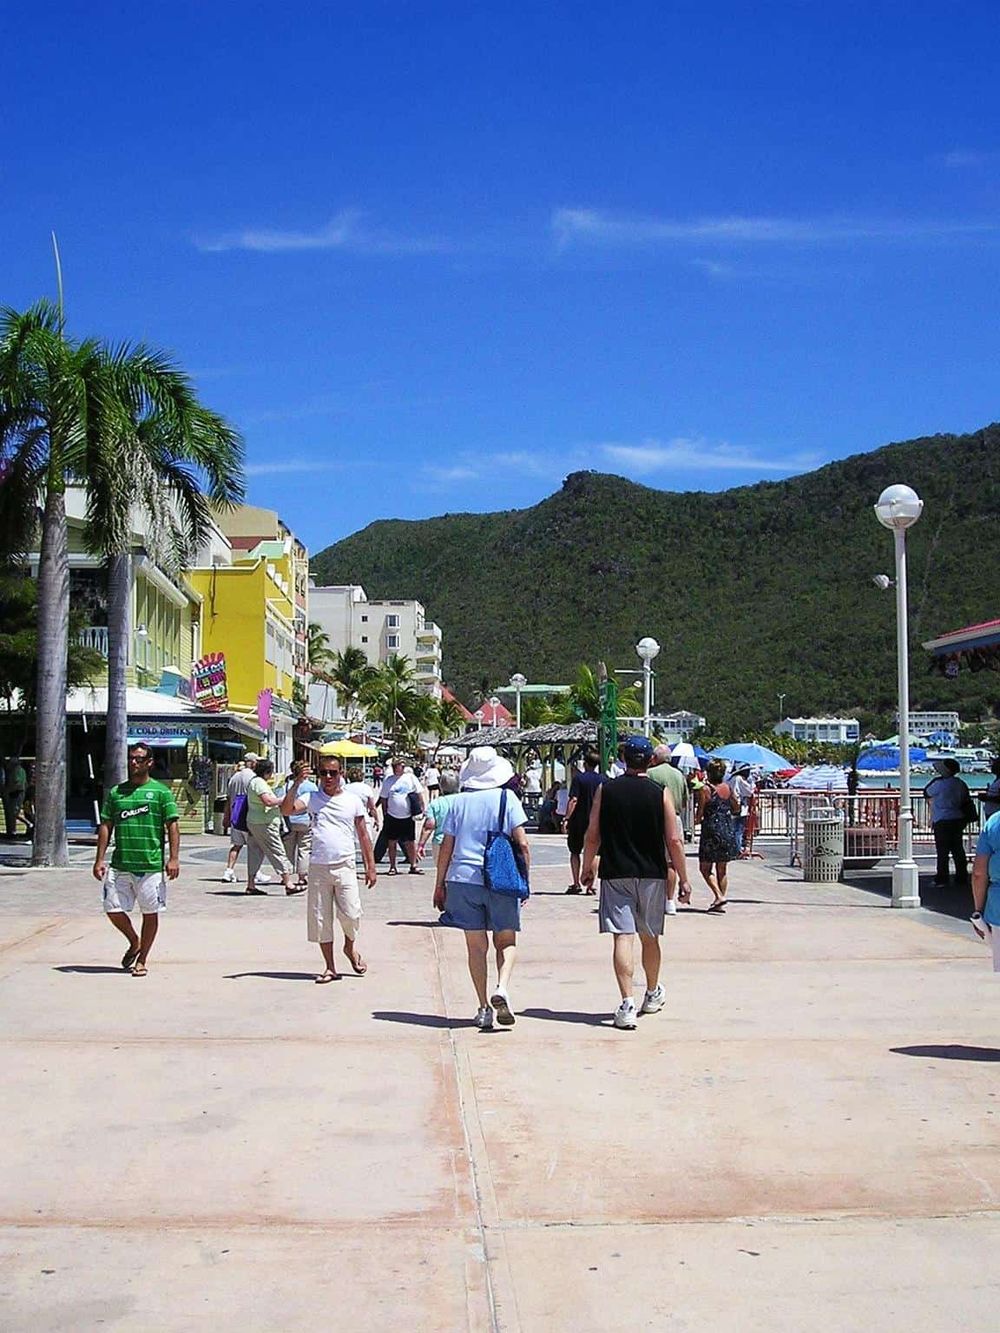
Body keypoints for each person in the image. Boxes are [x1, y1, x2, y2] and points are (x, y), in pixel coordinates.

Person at [581, 735, 691, 1029]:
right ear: (651, 761)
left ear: (624, 759)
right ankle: (652, 992)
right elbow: (674, 839)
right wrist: (683, 878)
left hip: (616, 871)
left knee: (622, 937)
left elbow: (593, 834)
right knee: (650, 936)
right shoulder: (660, 792)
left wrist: (586, 867)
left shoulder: (607, 789)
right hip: (653, 873)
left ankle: (627, 1003)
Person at [434, 746, 531, 1030]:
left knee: (476, 947)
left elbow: (446, 847)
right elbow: (522, 843)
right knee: (507, 941)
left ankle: (483, 1008)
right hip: (500, 877)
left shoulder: (457, 802)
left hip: (463, 879)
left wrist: (439, 884)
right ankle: (501, 986)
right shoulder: (507, 798)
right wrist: (524, 880)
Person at [281, 758, 377, 982]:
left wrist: (370, 866)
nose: (328, 778)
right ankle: (330, 967)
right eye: (323, 773)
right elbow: (286, 810)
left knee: (351, 914)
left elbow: (363, 834)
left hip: (345, 865)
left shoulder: (352, 801)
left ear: (341, 773)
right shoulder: (312, 798)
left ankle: (350, 948)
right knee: (321, 918)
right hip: (318, 866)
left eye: (333, 773)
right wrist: (296, 783)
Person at [92, 741, 179, 976]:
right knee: (112, 908)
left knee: (150, 912)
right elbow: (106, 825)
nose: (134, 762)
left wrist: (173, 858)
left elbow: (172, 826)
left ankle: (142, 959)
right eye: (131, 758)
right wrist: (99, 859)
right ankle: (134, 941)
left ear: (149, 762)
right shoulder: (117, 792)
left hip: (150, 865)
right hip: (121, 864)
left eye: (139, 759)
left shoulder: (161, 792)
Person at [246, 757, 299, 896]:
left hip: (254, 821)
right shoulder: (259, 783)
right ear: (267, 772)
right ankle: (288, 883)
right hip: (265, 823)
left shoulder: (255, 782)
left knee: (255, 852)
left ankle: (251, 884)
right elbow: (268, 801)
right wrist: (284, 800)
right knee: (277, 850)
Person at [647, 744, 690, 912]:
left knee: (652, 859)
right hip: (675, 817)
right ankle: (669, 900)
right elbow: (685, 800)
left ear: (655, 758)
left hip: (654, 818)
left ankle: (653, 897)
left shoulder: (650, 773)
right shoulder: (679, 775)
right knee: (671, 862)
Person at [696, 758, 741, 912]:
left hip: (710, 830)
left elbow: (700, 813)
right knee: (722, 869)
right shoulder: (728, 788)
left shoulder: (706, 789)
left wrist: (697, 820)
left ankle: (719, 896)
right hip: (726, 828)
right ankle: (719, 900)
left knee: (705, 868)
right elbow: (736, 808)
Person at [924, 758, 972, 889]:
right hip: (957, 818)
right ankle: (961, 877)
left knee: (942, 851)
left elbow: (927, 791)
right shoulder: (960, 784)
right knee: (958, 849)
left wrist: (936, 780)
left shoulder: (939, 784)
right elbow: (964, 799)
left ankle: (942, 878)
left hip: (942, 819)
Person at [564, 749, 606, 895]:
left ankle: (576, 883)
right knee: (595, 853)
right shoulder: (603, 779)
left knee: (575, 851)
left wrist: (567, 817)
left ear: (585, 763)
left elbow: (573, 800)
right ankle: (590, 885)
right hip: (597, 820)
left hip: (579, 820)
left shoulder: (578, 779)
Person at [377, 757, 424, 874]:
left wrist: (422, 809)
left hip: (408, 816)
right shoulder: (389, 780)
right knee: (391, 842)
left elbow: (419, 794)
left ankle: (413, 865)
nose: (401, 768)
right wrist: (385, 814)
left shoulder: (411, 778)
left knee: (410, 842)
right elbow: (383, 799)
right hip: (392, 816)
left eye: (403, 766)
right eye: (398, 766)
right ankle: (393, 867)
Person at [277, 764, 318, 888]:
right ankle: (302, 877)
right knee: (304, 849)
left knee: (287, 849)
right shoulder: (311, 786)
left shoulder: (286, 785)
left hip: (289, 820)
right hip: (305, 820)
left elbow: (281, 801)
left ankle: (286, 876)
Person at [221, 753, 257, 884]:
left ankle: (228, 871)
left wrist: (226, 817)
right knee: (254, 847)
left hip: (235, 816)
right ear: (252, 763)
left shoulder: (234, 778)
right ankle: (255, 872)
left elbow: (228, 798)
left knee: (236, 845)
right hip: (248, 816)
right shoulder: (253, 777)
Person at [417, 770, 460, 866]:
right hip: (460, 842)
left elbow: (429, 826)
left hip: (440, 842)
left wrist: (421, 845)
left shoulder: (436, 803)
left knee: (442, 872)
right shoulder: (464, 801)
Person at [344, 765, 380, 853]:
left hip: (348, 818)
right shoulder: (366, 788)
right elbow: (372, 807)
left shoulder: (345, 788)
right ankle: (367, 863)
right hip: (363, 817)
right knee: (367, 843)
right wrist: (376, 820)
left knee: (349, 843)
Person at [730, 763, 755, 856]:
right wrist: (752, 783)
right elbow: (749, 792)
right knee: (738, 830)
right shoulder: (739, 779)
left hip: (732, 806)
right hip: (740, 807)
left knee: (733, 829)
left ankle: (733, 849)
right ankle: (737, 850)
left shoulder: (732, 779)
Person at [2, 753, 27, 839]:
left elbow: (18, 783)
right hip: (13, 793)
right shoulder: (12, 771)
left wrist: (8, 790)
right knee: (12, 812)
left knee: (14, 812)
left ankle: (28, 824)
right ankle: (13, 831)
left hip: (18, 793)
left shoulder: (18, 770)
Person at [976, 757, 1000, 822]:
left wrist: (987, 798)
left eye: (995, 765)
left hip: (996, 816)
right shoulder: (997, 780)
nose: (992, 766)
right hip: (992, 814)